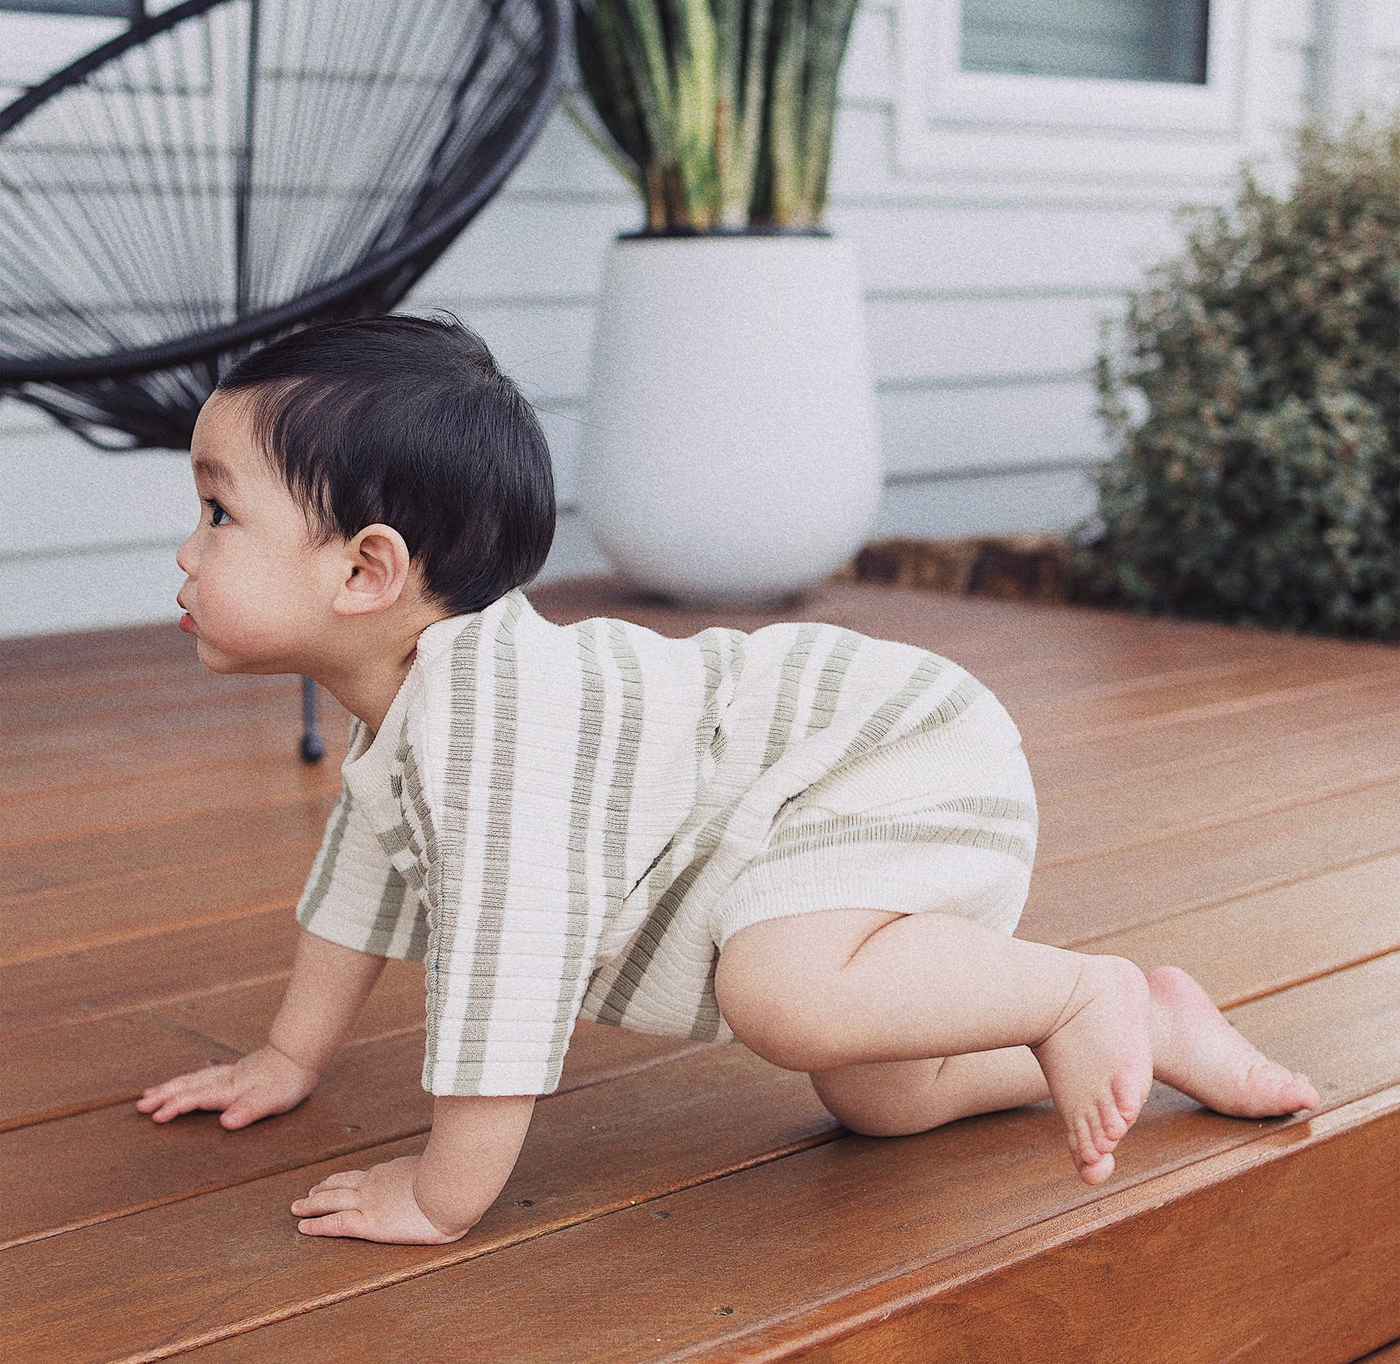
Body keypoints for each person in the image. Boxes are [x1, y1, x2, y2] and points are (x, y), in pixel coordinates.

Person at [137, 313, 1319, 1246]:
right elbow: (364, 878)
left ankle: (1073, 993)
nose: (188, 549)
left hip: (880, 753)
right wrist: (289, 1057)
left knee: (785, 992)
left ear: (364, 571)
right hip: (809, 799)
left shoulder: (487, 726)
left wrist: (445, 1194)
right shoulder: (407, 710)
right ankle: (1153, 1023)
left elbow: (507, 955)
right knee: (882, 1098)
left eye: (216, 510)